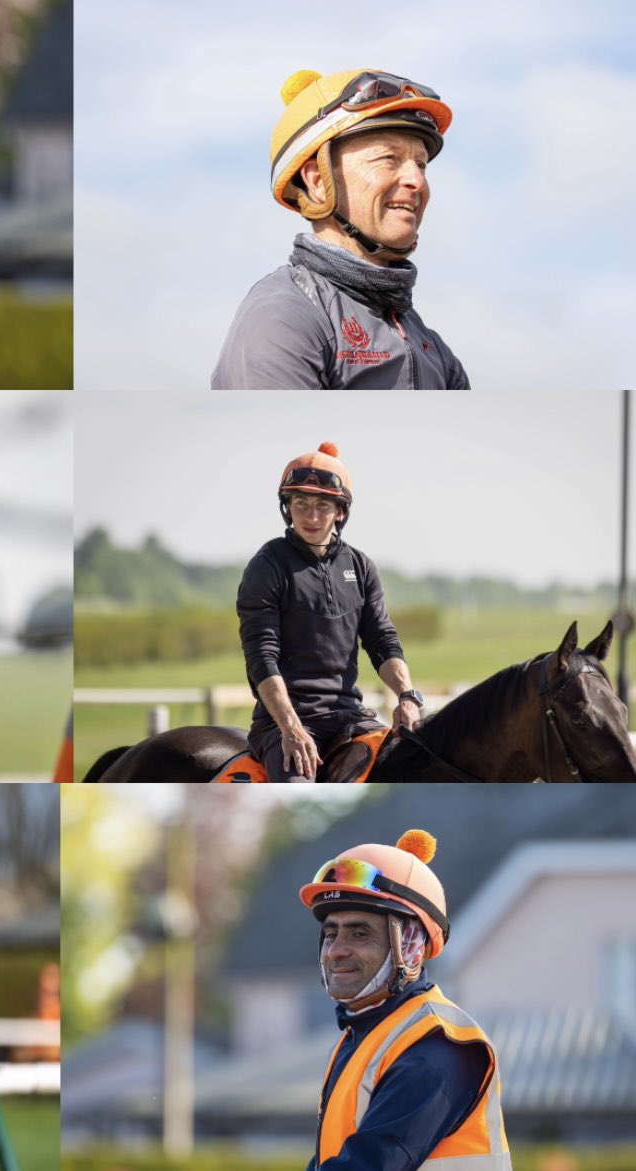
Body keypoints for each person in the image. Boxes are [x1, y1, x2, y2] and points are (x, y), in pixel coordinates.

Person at [213, 68, 467, 389]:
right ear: (318, 182)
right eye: (389, 158)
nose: (416, 180)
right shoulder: (282, 317)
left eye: (420, 164)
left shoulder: (430, 346)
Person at [298, 829, 510, 1170]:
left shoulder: (437, 1047)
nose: (336, 950)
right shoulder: (363, 1036)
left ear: (410, 944)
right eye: (331, 933)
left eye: (359, 933)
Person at [237, 442, 423, 782]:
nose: (311, 516)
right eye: (301, 504)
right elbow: (261, 656)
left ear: (340, 511)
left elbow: (381, 638)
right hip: (285, 721)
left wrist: (407, 697)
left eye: (323, 506)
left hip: (350, 716)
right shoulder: (266, 566)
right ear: (287, 507)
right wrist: (291, 727)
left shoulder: (360, 565)